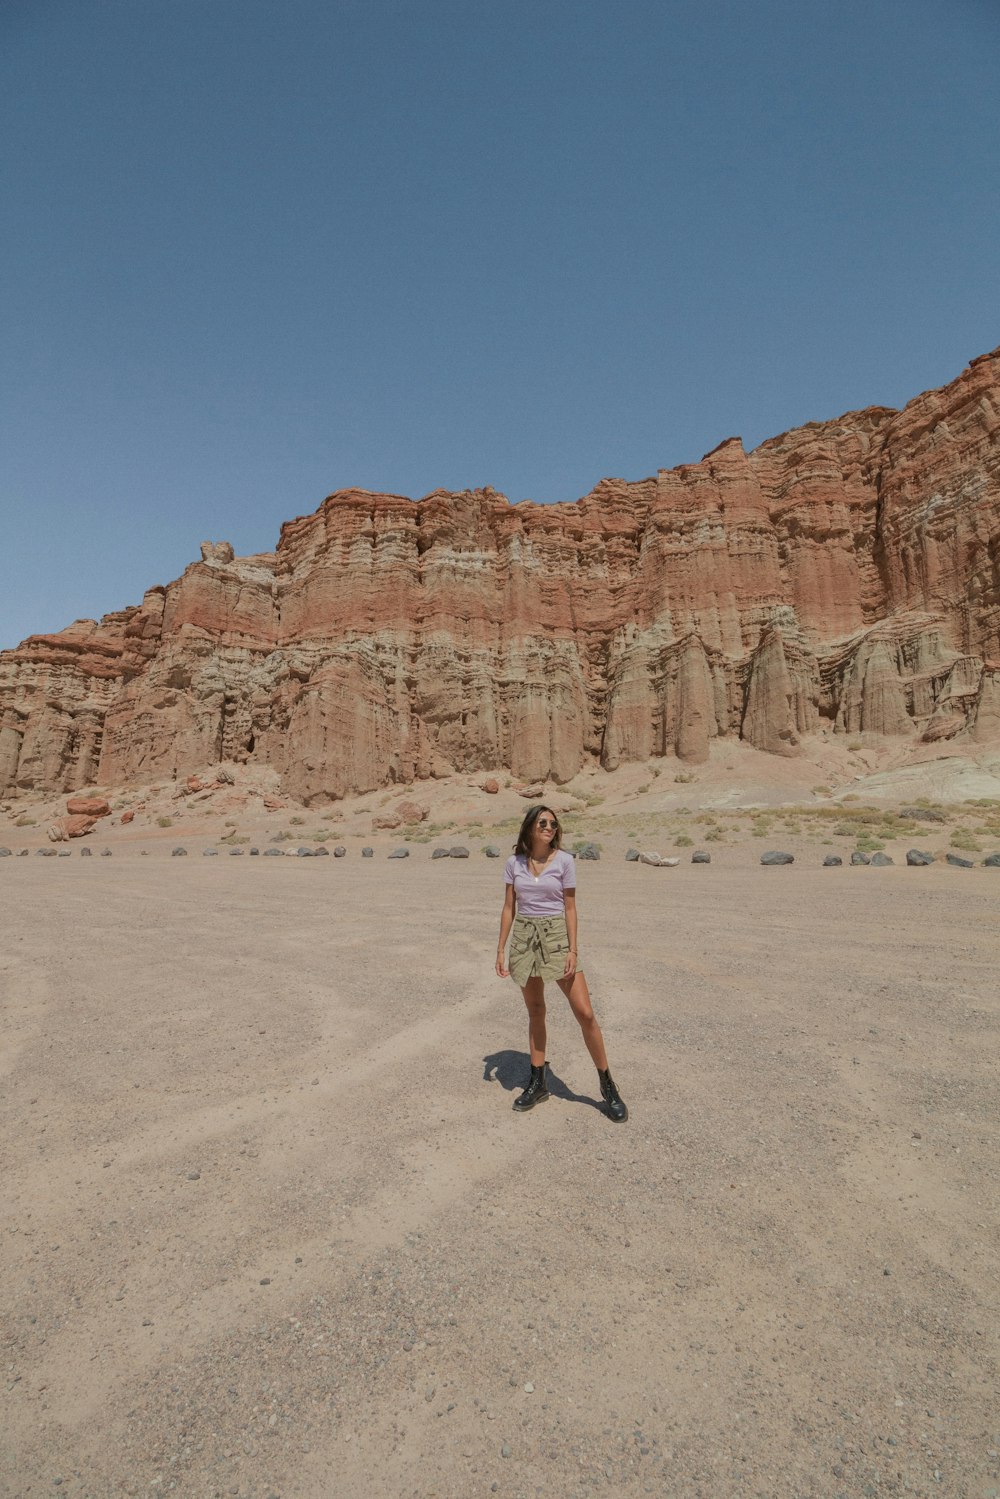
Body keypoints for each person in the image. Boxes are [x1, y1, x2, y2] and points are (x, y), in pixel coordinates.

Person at [495, 804, 628, 1121]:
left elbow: (570, 908)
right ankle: (538, 1081)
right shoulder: (514, 863)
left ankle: (608, 1086)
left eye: (553, 824)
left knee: (585, 1012)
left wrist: (573, 950)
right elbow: (508, 908)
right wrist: (501, 950)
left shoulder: (565, 861)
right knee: (536, 1011)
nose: (549, 828)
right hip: (525, 938)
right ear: (530, 827)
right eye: (542, 822)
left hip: (556, 937)